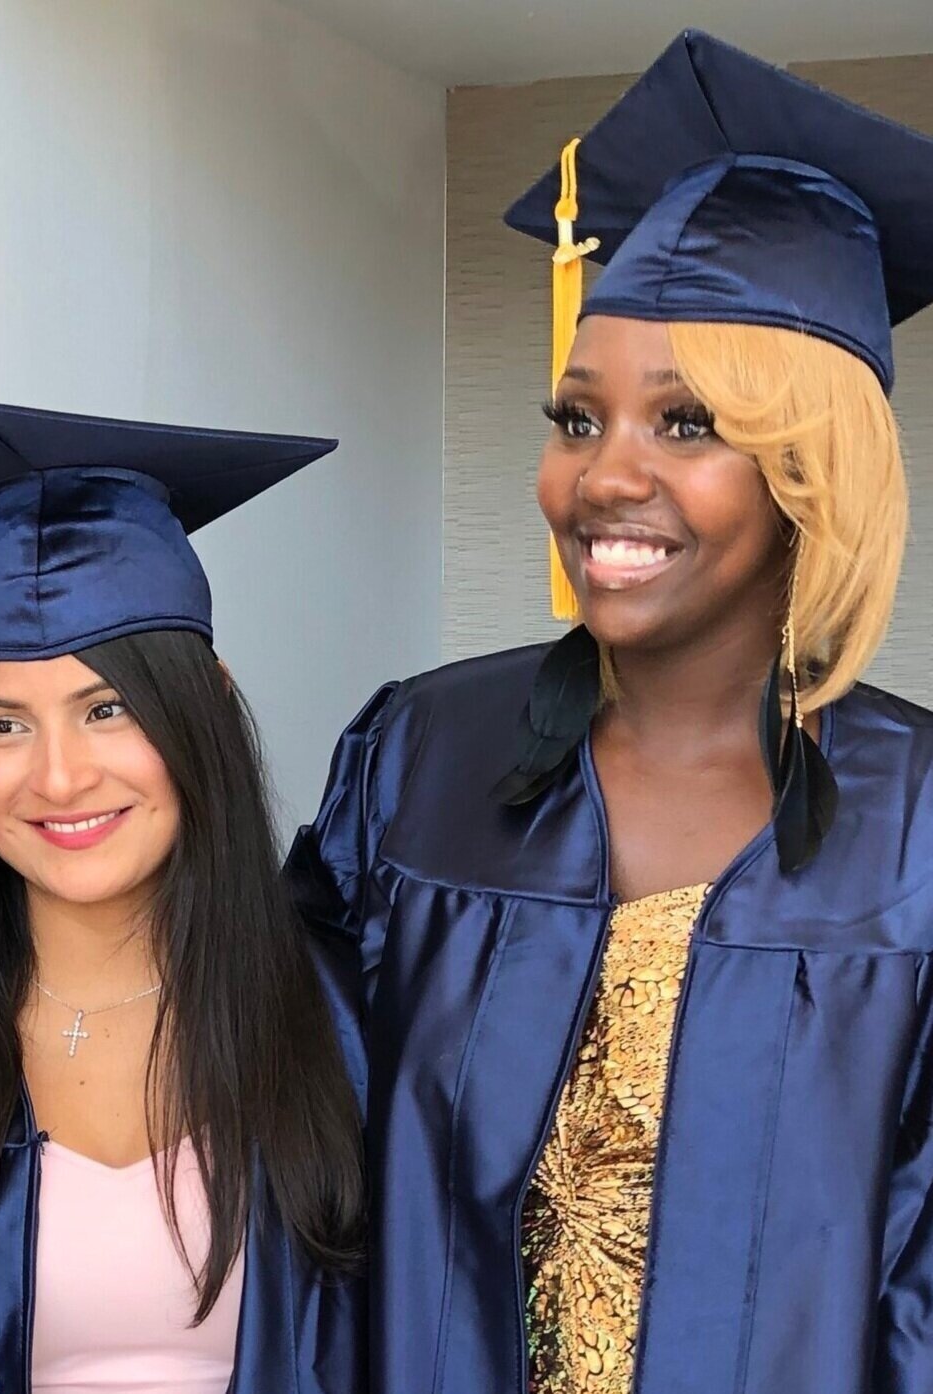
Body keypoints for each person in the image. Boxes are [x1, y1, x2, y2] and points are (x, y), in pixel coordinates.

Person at [284, 31, 933, 1393]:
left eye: (687, 425)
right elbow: (270, 1061)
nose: (604, 475)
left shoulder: (920, 828)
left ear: (810, 469)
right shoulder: (422, 757)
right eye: (576, 419)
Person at [0, 403, 366, 1393]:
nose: (57, 777)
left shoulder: (340, 1011)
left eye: (105, 707)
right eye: (2, 723)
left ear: (207, 704)